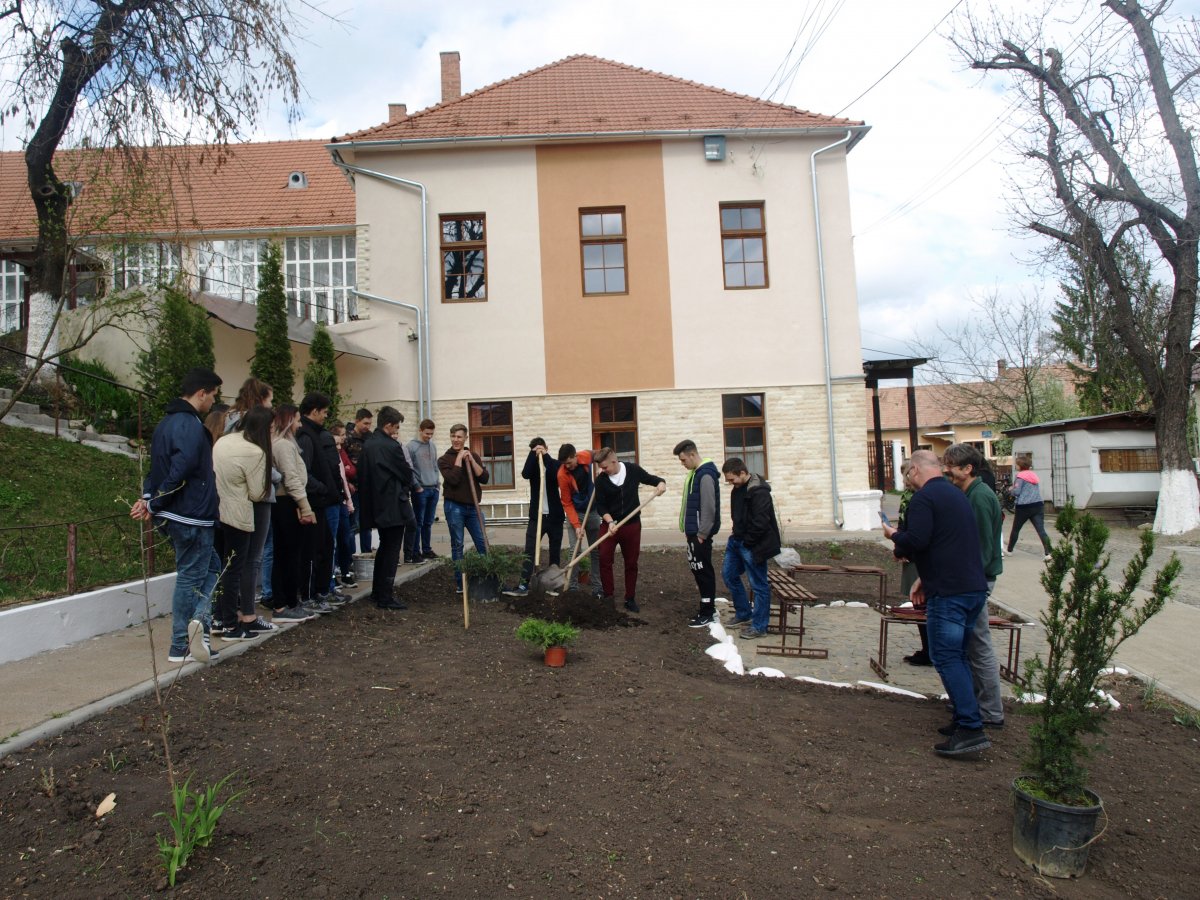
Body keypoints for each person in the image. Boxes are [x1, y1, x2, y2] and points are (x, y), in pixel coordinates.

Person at [882, 449, 992, 757]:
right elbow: (951, 543)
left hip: (950, 593)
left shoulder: (924, 499)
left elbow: (917, 541)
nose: (908, 482)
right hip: (971, 589)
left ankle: (970, 728)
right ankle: (964, 717)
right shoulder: (957, 495)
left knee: (946, 657)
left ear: (915, 470)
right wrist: (925, 580)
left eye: (907, 475)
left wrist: (894, 535)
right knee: (960, 656)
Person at [129, 368, 223, 664]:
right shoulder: (191, 425)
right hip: (190, 515)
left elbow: (157, 468)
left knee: (211, 567)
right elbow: (180, 469)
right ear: (201, 393)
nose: (213, 403)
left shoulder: (166, 424)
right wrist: (155, 502)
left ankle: (197, 627)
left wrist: (148, 499)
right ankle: (183, 640)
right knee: (190, 576)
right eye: (213, 396)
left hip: (177, 513)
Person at [942, 443, 1006, 729]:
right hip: (974, 579)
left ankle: (991, 711)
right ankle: (975, 702)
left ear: (968, 468)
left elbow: (981, 546)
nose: (947, 472)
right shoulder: (971, 494)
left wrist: (967, 581)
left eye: (951, 467)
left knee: (979, 646)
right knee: (970, 645)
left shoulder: (979, 498)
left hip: (976, 581)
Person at [212, 405, 278, 642]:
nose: (272, 433)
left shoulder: (223, 441)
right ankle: (232, 626)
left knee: (222, 568)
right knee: (235, 570)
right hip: (239, 516)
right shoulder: (255, 452)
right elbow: (259, 492)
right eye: (271, 428)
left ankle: (219, 618)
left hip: (217, 512)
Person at [592, 447, 666, 613]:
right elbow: (601, 506)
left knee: (631, 562)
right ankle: (608, 597)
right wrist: (610, 522)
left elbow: (652, 479)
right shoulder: (601, 480)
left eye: (605, 467)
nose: (602, 471)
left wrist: (661, 483)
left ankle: (630, 598)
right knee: (604, 558)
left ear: (614, 461)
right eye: (601, 468)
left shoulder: (633, 470)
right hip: (609, 525)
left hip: (631, 525)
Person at [358, 406, 416, 610]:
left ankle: (377, 592)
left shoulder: (368, 445)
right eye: (396, 427)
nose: (397, 430)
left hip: (375, 504)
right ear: (388, 425)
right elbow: (406, 473)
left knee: (384, 548)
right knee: (391, 550)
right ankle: (385, 596)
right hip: (393, 504)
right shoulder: (391, 447)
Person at [720, 457, 780, 640]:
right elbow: (737, 516)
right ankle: (743, 612)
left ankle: (759, 626)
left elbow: (761, 522)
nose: (730, 483)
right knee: (729, 575)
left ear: (743, 473)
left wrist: (748, 542)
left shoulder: (759, 492)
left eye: (732, 479)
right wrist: (736, 536)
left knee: (759, 585)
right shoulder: (736, 490)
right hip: (736, 541)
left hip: (754, 545)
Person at [267, 404, 318, 622]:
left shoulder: (281, 444)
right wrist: (305, 506)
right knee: (288, 555)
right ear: (288, 421)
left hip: (286, 502)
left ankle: (287, 601)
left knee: (287, 554)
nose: (299, 424)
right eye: (297, 420)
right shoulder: (284, 446)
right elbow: (291, 477)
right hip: (287, 503)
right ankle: (285, 603)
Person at [295, 392, 345, 613]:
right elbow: (303, 472)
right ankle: (310, 595)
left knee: (325, 548)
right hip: (314, 503)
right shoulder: (306, 435)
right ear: (314, 411)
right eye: (324, 412)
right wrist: (322, 488)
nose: (326, 416)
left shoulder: (315, 433)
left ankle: (321, 591)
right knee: (313, 552)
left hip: (323, 501)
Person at [506, 438, 565, 596]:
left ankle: (553, 585)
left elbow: (556, 476)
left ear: (547, 447)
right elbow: (525, 474)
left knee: (554, 550)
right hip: (536, 516)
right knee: (530, 550)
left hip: (554, 516)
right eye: (534, 449)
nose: (538, 451)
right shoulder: (533, 466)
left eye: (540, 448)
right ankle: (523, 585)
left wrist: (545, 456)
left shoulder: (554, 464)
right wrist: (533, 456)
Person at [673, 440, 721, 628]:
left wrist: (701, 533)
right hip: (694, 533)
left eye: (684, 460)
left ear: (692, 455)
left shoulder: (706, 475)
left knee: (703, 571)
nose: (683, 464)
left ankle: (707, 611)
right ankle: (707, 607)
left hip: (701, 534)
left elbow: (709, 507)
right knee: (697, 569)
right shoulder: (696, 474)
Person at [438, 423, 489, 593]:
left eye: (459, 437)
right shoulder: (444, 459)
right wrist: (459, 459)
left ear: (466, 438)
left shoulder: (473, 455)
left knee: (482, 543)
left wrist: (471, 460)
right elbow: (452, 479)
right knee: (458, 544)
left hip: (473, 508)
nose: (456, 440)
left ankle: (487, 577)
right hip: (454, 507)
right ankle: (461, 584)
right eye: (453, 436)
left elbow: (484, 478)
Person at [896, 460, 931, 667]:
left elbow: (915, 530)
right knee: (919, 605)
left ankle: (930, 650)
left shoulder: (919, 498)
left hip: (916, 557)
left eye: (906, 476)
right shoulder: (909, 496)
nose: (905, 481)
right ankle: (927, 648)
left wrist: (903, 546)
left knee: (922, 604)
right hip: (908, 554)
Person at [556, 444, 603, 597]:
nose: (568, 466)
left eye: (569, 462)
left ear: (575, 456)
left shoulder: (585, 456)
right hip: (575, 512)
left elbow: (602, 454)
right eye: (565, 464)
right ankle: (573, 587)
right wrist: (576, 525)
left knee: (595, 550)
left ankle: (597, 587)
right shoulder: (562, 475)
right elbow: (567, 502)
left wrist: (602, 466)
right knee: (574, 550)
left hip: (593, 511)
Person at [328, 422, 359, 589]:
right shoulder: (329, 457)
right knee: (332, 542)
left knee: (345, 539)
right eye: (337, 444)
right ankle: (333, 575)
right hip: (333, 502)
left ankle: (346, 572)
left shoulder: (340, 456)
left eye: (340, 444)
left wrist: (349, 502)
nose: (339, 447)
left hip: (343, 502)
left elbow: (345, 479)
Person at [406, 418, 441, 562]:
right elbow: (410, 469)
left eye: (431, 434)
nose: (429, 436)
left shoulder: (432, 446)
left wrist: (438, 484)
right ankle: (415, 552)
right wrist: (417, 486)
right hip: (420, 490)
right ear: (420, 430)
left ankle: (426, 549)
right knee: (418, 522)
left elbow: (434, 465)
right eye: (427, 433)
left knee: (428, 522)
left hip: (433, 489)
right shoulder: (411, 446)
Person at [1007, 454, 1053, 560]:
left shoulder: (1020, 477)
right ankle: (1048, 552)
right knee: (1041, 530)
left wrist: (1011, 490)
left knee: (1016, 529)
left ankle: (1009, 550)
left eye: (1017, 464)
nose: (1016, 465)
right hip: (1037, 505)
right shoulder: (1033, 475)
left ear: (1020, 465)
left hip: (1023, 506)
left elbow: (1017, 492)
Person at [345, 408, 374, 553]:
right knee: (353, 524)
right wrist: (347, 483)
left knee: (366, 523)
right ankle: (350, 557)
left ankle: (366, 554)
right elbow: (342, 462)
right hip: (353, 487)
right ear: (357, 421)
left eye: (369, 424)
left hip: (367, 486)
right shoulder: (347, 437)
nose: (367, 427)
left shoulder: (370, 437)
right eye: (365, 423)